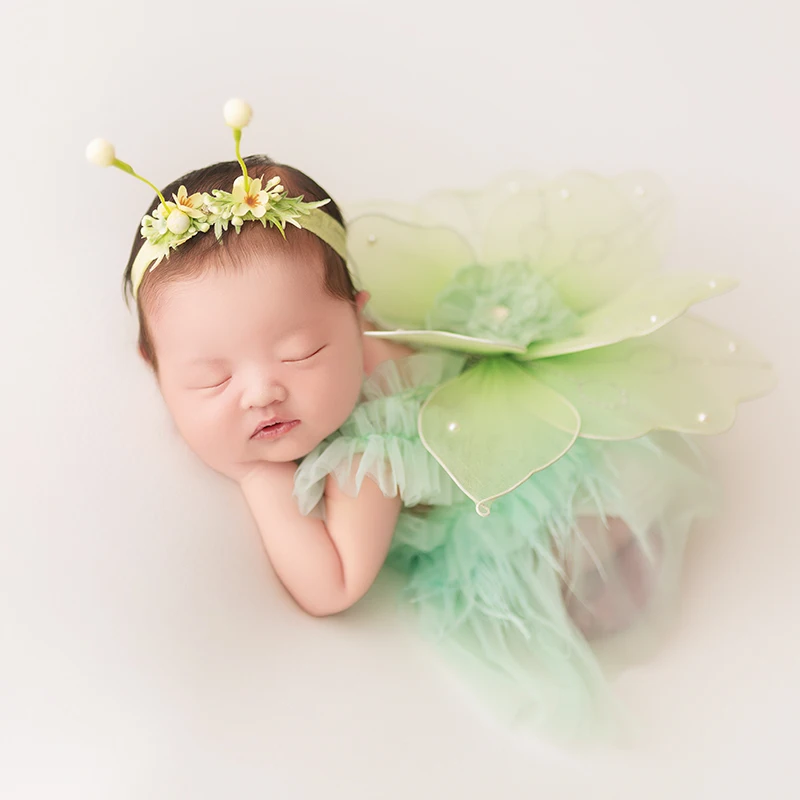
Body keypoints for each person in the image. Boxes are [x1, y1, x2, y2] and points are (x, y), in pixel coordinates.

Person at [86, 99, 775, 737]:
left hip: (535, 508)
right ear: (152, 367)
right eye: (210, 378)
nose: (261, 393)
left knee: (599, 603)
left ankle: (622, 546)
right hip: (502, 418)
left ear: (358, 319)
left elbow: (334, 586)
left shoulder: (370, 450)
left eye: (302, 353)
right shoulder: (330, 344)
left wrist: (253, 478)